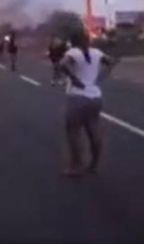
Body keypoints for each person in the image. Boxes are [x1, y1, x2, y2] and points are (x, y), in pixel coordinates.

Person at [59, 29, 117, 177]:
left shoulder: (73, 52)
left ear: (73, 41)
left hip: (77, 97)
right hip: (95, 96)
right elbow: (112, 61)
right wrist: (103, 75)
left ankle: (76, 167)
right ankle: (94, 165)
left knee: (74, 132)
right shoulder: (97, 52)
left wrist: (74, 79)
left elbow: (62, 65)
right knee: (94, 131)